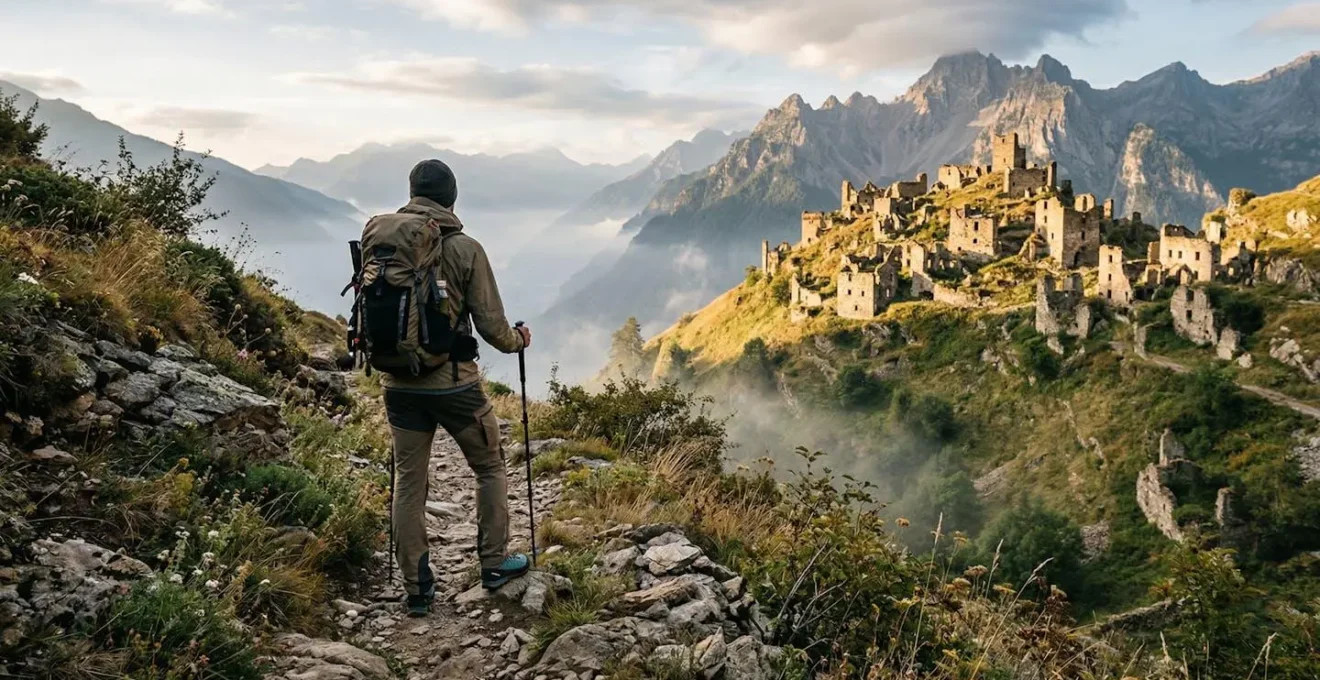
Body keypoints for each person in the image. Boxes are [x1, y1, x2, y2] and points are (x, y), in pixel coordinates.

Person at [370, 159, 532, 617]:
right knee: (489, 466)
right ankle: (495, 563)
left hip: (398, 385)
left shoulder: (382, 243)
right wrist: (519, 339)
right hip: (455, 386)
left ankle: (417, 587)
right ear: (452, 198)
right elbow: (494, 328)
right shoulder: (466, 249)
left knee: (408, 483)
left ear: (412, 192)